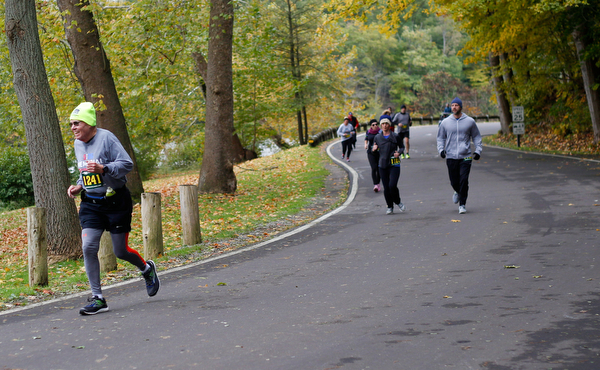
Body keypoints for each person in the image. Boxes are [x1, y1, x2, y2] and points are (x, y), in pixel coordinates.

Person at [67, 102, 160, 315]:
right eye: (71, 124)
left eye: (76, 123)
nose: (73, 128)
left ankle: (146, 269)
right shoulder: (77, 143)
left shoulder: (107, 138)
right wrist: (78, 186)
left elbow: (127, 164)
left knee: (120, 251)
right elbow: (85, 171)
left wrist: (105, 168)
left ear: (89, 124)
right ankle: (98, 298)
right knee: (89, 246)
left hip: (116, 201)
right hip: (91, 203)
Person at [437, 97, 483, 214]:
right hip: (451, 156)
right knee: (454, 182)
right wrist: (441, 150)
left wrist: (478, 150)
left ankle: (462, 204)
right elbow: (441, 138)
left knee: (463, 180)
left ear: (461, 107)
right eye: (452, 105)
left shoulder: (470, 121)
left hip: (465, 156)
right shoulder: (445, 122)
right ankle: (457, 191)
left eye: (456, 105)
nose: (454, 107)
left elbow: (476, 136)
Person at [372, 114, 406, 215]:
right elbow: (374, 150)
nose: (385, 125)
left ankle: (398, 201)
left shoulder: (395, 136)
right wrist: (373, 150)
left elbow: (402, 147)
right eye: (383, 124)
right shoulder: (377, 137)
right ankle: (390, 206)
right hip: (382, 165)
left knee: (392, 185)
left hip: (394, 164)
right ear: (381, 125)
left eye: (387, 123)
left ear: (389, 125)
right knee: (386, 187)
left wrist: (398, 153)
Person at [364, 119, 381, 192]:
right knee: (374, 168)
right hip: (370, 152)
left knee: (379, 168)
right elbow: (366, 138)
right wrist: (365, 144)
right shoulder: (368, 132)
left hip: (379, 152)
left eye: (376, 124)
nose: (375, 126)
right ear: (371, 126)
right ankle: (375, 184)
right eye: (373, 125)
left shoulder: (380, 132)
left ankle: (378, 183)